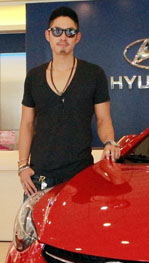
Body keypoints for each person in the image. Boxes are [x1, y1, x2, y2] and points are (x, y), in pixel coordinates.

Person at [17, 6, 120, 197]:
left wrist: (109, 141)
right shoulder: (34, 77)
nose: (63, 37)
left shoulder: (94, 74)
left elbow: (103, 119)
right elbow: (27, 124)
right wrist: (23, 165)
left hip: (80, 174)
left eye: (70, 32)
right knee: (34, 219)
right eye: (57, 31)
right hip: (40, 176)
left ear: (77, 37)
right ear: (48, 35)